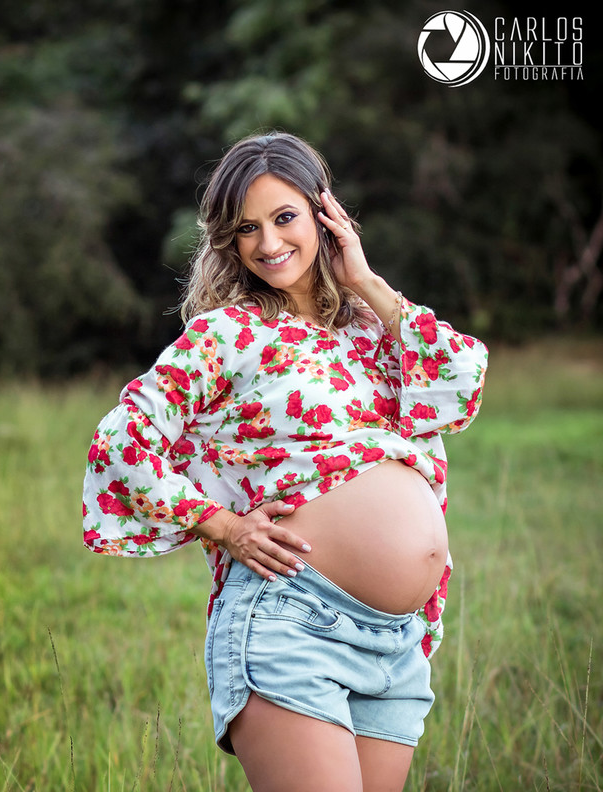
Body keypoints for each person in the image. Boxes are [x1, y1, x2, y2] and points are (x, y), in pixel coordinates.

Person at [82, 131, 488, 792]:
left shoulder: (372, 328)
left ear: (326, 214)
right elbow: (121, 441)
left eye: (285, 217)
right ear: (229, 242)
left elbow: (462, 381)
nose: (269, 244)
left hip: (395, 643)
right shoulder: (229, 333)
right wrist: (220, 523)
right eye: (247, 229)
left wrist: (364, 279)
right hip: (291, 622)